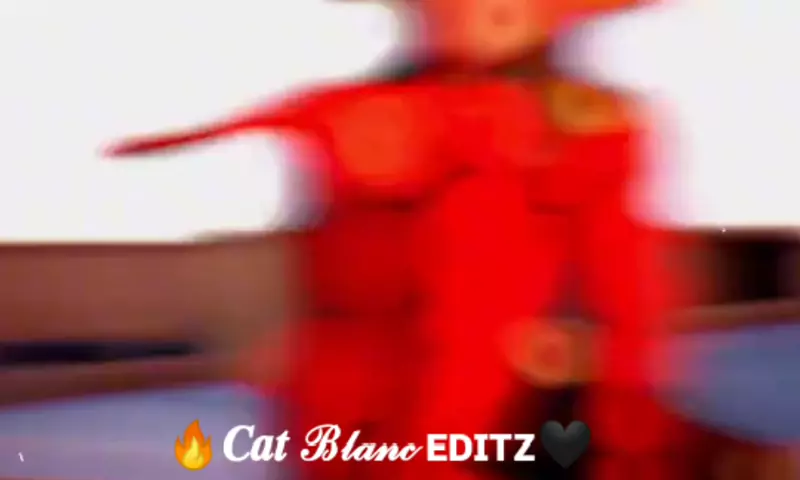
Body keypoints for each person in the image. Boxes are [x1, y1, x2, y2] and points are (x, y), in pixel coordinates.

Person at [104, 0, 684, 479]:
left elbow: (625, 287)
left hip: (490, 402)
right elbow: (327, 260)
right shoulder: (355, 110)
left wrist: (604, 381)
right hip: (357, 401)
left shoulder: (590, 127)